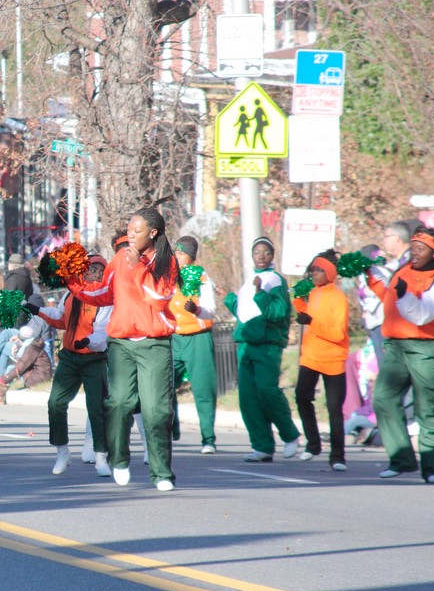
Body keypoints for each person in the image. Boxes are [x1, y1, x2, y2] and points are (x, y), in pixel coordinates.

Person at [68, 209, 179, 491]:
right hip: (121, 343)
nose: (130, 234)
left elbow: (159, 298)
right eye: (129, 229)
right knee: (118, 403)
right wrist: (71, 281)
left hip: (153, 344)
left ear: (153, 233)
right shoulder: (119, 259)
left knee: (156, 411)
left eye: (137, 230)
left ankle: (161, 473)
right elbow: (103, 294)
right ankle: (119, 459)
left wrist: (139, 266)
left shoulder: (166, 261)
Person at [366, 226, 434, 483]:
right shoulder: (402, 272)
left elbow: (423, 314)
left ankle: (432, 468)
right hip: (396, 347)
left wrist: (402, 293)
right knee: (383, 399)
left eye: (420, 249)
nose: (414, 253)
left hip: (426, 348)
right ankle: (401, 459)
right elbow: (390, 298)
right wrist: (372, 279)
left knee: (429, 409)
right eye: (413, 247)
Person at [27, 254, 111, 476]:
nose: (94, 272)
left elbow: (104, 329)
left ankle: (101, 456)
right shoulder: (71, 293)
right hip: (70, 357)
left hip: (94, 359)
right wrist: (37, 311)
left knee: (97, 408)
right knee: (55, 403)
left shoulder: (105, 297)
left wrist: (90, 341)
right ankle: (62, 452)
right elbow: (60, 317)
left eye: (99, 269)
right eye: (90, 268)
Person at [223, 237, 301, 462]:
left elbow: (278, 311)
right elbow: (245, 312)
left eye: (266, 252)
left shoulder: (275, 280)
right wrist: (227, 298)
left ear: (272, 255)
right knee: (249, 398)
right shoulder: (251, 281)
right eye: (257, 252)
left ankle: (290, 435)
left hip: (267, 346)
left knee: (267, 391)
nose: (261, 256)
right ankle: (262, 446)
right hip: (246, 344)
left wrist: (260, 293)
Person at [293, 250, 349, 471]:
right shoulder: (314, 293)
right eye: (313, 270)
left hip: (333, 360)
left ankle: (337, 456)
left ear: (330, 273)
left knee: (334, 408)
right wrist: (298, 302)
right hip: (311, 358)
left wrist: (311, 321)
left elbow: (337, 334)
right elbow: (308, 314)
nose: (314, 273)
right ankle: (313, 444)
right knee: (301, 397)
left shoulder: (339, 299)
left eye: (319, 270)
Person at [168, 236, 218, 454]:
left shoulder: (202, 277)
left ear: (192, 255)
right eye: (175, 252)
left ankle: (208, 439)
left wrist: (196, 310)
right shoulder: (167, 275)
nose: (177, 256)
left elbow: (211, 309)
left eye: (182, 252)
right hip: (173, 338)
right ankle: (171, 426)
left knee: (203, 388)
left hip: (197, 337)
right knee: (164, 384)